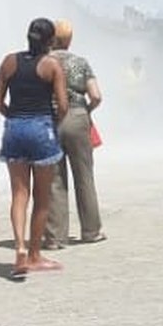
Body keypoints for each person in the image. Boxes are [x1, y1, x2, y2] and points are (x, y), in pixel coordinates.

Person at [0, 18, 69, 278]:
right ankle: (35, 255)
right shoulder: (51, 65)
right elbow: (63, 105)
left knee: (19, 195)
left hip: (14, 128)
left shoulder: (9, 61)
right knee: (42, 197)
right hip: (41, 128)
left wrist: (14, 117)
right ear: (50, 42)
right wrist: (49, 123)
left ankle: (20, 250)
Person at [43, 19, 106, 249]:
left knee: (54, 180)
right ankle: (91, 231)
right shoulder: (81, 63)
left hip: (50, 119)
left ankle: (55, 237)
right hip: (78, 117)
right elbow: (97, 95)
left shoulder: (44, 62)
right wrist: (85, 112)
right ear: (70, 40)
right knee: (84, 176)